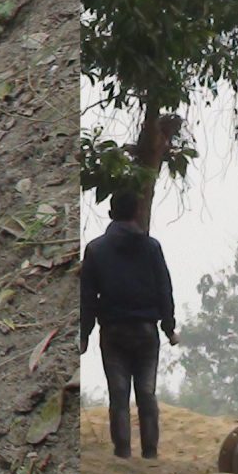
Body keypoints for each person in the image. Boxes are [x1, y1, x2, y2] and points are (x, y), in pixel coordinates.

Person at [80, 196, 176, 459]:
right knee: (146, 392)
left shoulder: (95, 250)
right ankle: (150, 453)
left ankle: (122, 452)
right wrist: (169, 327)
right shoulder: (151, 247)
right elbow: (164, 290)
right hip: (146, 331)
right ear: (137, 212)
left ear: (111, 213)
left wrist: (84, 334)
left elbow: (87, 297)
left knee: (118, 393)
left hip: (113, 333)